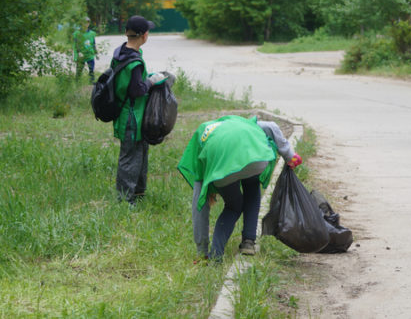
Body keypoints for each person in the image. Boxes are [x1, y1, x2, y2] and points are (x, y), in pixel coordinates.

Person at [177, 115, 303, 261]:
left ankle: (215, 255)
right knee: (252, 184)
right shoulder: (241, 123)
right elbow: (271, 127)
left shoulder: (200, 144)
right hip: (255, 160)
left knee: (233, 207)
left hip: (223, 170)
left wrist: (201, 250)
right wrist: (290, 155)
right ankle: (248, 242)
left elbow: (198, 207)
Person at [111, 15, 166, 205]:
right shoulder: (133, 62)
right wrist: (151, 81)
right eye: (148, 31)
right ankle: (125, 201)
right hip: (131, 117)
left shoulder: (121, 53)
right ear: (143, 35)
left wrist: (147, 78)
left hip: (134, 115)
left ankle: (139, 194)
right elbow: (137, 90)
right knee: (130, 159)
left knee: (140, 154)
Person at [73, 17, 98, 83]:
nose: (86, 24)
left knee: (91, 69)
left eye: (88, 22)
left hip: (90, 55)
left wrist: (96, 52)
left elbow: (93, 43)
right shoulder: (77, 33)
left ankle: (91, 82)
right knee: (79, 70)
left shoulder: (92, 33)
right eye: (84, 22)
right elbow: (75, 45)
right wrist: (77, 54)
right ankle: (77, 82)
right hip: (81, 55)